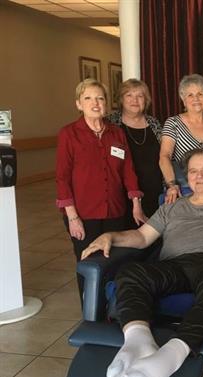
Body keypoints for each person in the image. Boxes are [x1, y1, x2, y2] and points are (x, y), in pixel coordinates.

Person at [81, 148, 203, 377]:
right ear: (186, 177)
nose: (199, 176)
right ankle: (138, 341)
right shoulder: (172, 206)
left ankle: (172, 355)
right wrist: (111, 236)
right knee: (131, 273)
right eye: (193, 172)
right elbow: (141, 237)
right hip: (177, 265)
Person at [55, 78, 146, 301]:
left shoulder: (116, 133)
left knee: (114, 262)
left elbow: (128, 171)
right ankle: (90, 312)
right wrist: (72, 217)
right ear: (79, 104)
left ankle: (111, 311)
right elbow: (62, 178)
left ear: (106, 103)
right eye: (88, 98)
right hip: (83, 214)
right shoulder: (69, 134)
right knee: (88, 264)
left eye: (100, 98)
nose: (95, 103)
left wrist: (136, 204)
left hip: (115, 210)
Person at [107, 79, 163, 221]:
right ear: (121, 99)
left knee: (153, 230)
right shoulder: (110, 123)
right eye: (129, 95)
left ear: (146, 100)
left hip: (153, 189)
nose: (135, 100)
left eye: (140, 96)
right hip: (122, 191)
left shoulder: (154, 123)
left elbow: (165, 155)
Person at [159, 74, 203, 204]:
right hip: (186, 190)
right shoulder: (173, 123)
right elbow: (164, 156)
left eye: (200, 94)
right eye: (190, 95)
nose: (196, 98)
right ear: (184, 100)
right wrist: (171, 185)